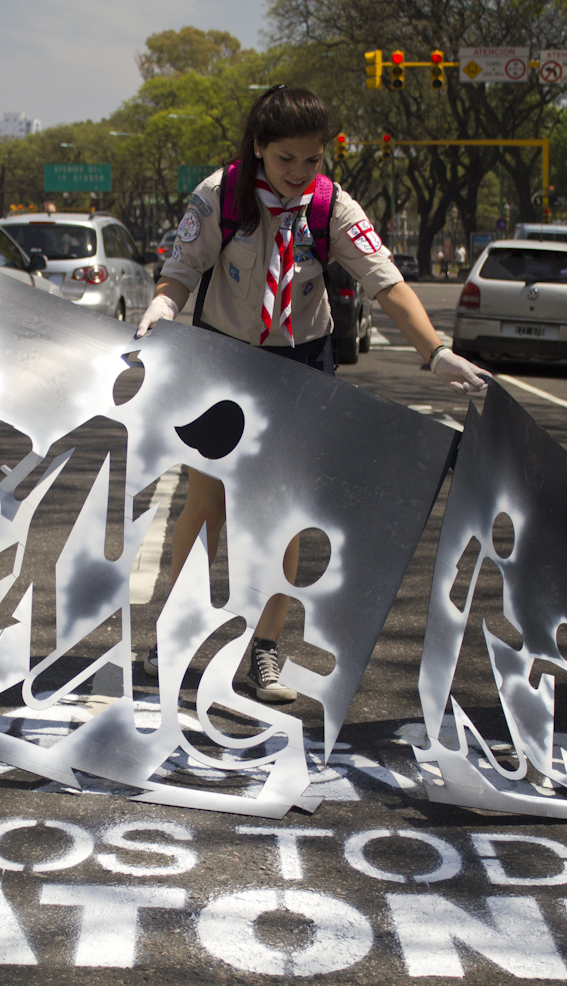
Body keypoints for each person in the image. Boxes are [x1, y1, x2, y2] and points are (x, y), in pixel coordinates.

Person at [134, 85, 490, 702]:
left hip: (302, 364)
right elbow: (183, 267)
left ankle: (266, 649)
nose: (299, 173)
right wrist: (163, 303)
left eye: (312, 160)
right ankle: (178, 628)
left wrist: (435, 352)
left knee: (286, 513)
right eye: (285, 160)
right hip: (225, 358)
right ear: (258, 149)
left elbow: (386, 282)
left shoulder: (330, 207)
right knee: (208, 502)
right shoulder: (221, 195)